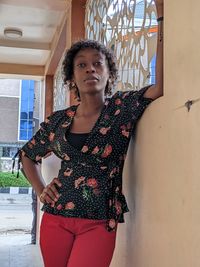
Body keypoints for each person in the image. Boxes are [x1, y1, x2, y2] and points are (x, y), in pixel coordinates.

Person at [19, 1, 163, 266]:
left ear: (109, 73)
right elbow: (28, 154)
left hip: (99, 220)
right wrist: (41, 189)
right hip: (55, 217)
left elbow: (160, 86)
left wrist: (162, 20)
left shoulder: (121, 108)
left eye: (98, 64)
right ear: (72, 77)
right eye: (81, 65)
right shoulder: (59, 120)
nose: (90, 69)